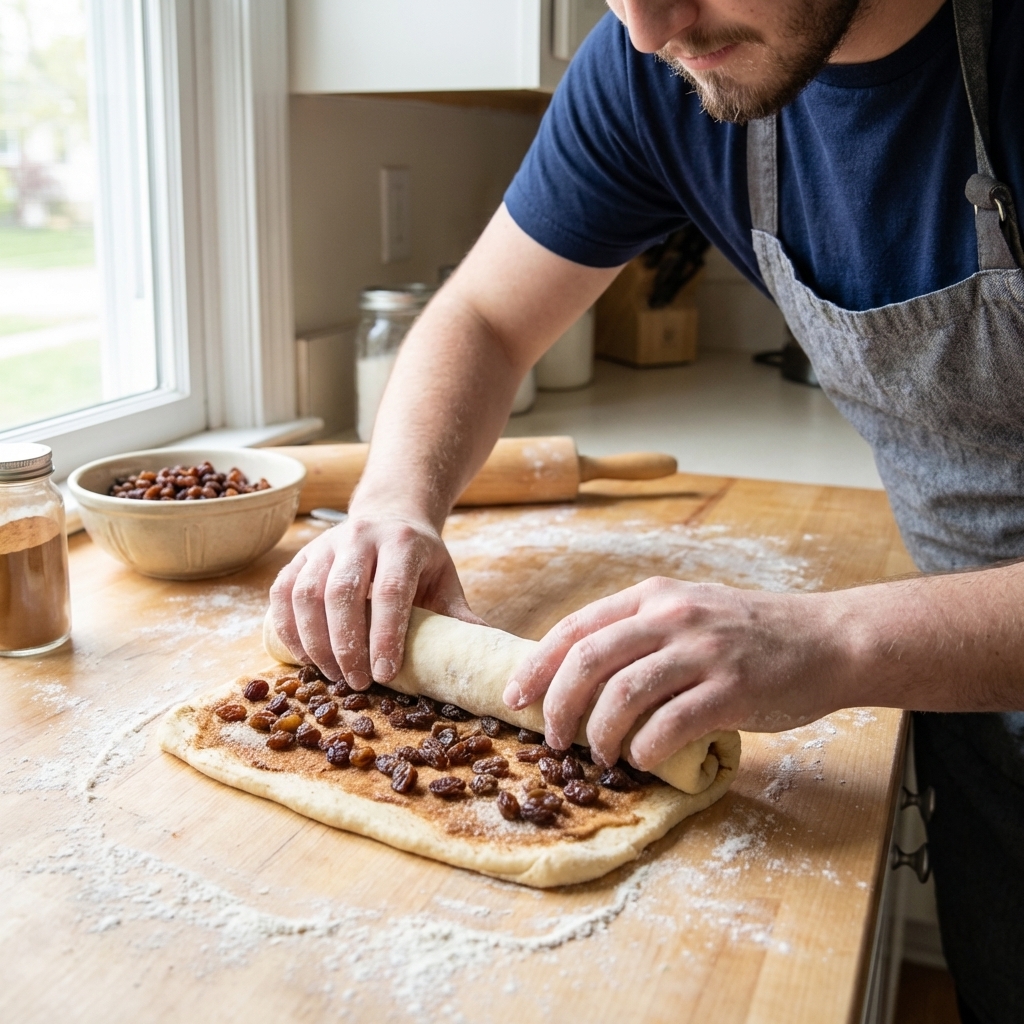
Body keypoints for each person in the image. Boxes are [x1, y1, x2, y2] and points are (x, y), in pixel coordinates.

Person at [270, 1, 1023, 1019]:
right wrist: (395, 500)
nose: (645, 27)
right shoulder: (663, 68)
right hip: (966, 672)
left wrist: (836, 639)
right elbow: (486, 315)